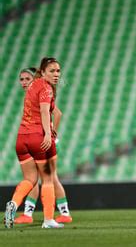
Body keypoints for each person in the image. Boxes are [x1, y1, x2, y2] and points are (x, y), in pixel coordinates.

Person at [4, 58, 64, 229]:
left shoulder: (32, 86)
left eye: (58, 71)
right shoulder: (46, 88)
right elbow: (46, 112)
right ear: (43, 72)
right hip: (38, 138)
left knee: (29, 178)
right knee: (47, 179)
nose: (56, 74)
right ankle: (48, 220)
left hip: (22, 139)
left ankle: (14, 204)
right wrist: (47, 134)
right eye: (52, 71)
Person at [14, 67, 73, 224]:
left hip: (45, 141)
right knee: (38, 178)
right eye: (22, 79)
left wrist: (52, 135)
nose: (24, 82)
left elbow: (57, 113)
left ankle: (59, 213)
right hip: (38, 140)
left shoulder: (41, 93)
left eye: (28, 79)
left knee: (47, 177)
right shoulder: (34, 95)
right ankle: (32, 213)